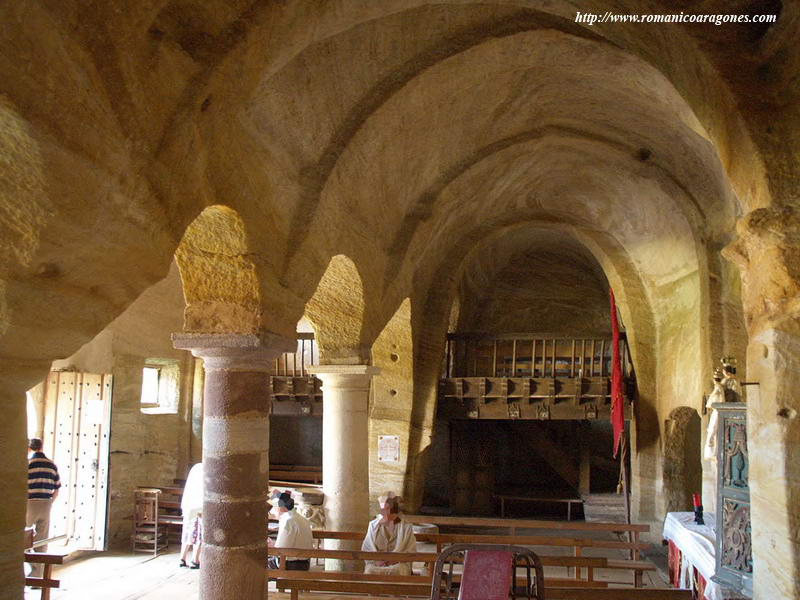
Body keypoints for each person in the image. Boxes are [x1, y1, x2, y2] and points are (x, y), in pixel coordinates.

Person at [26, 439, 60, 578]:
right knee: (42, 539)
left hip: (29, 503)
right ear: (41, 447)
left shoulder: (28, 464)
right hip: (46, 503)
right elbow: (57, 488)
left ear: (30, 448)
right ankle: (37, 574)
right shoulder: (51, 465)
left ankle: (26, 570)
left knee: (22, 537)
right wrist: (50, 502)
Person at [361, 492, 417, 576]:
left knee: (399, 570)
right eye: (382, 508)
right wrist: (377, 560)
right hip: (377, 563)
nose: (384, 512)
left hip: (398, 563)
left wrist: (395, 560)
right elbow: (367, 547)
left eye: (387, 508)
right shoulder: (373, 526)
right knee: (370, 571)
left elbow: (410, 550)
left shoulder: (406, 527)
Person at [267, 491, 314, 571]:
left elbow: (280, 549)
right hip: (305, 564)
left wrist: (272, 544)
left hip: (292, 565)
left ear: (280, 507)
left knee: (258, 564)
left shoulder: (288, 521)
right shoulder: (303, 519)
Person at [179, 463, 203, 569]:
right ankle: (195, 560)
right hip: (199, 508)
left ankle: (182, 558)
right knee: (198, 534)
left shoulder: (195, 470)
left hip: (190, 506)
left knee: (188, 532)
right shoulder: (203, 471)